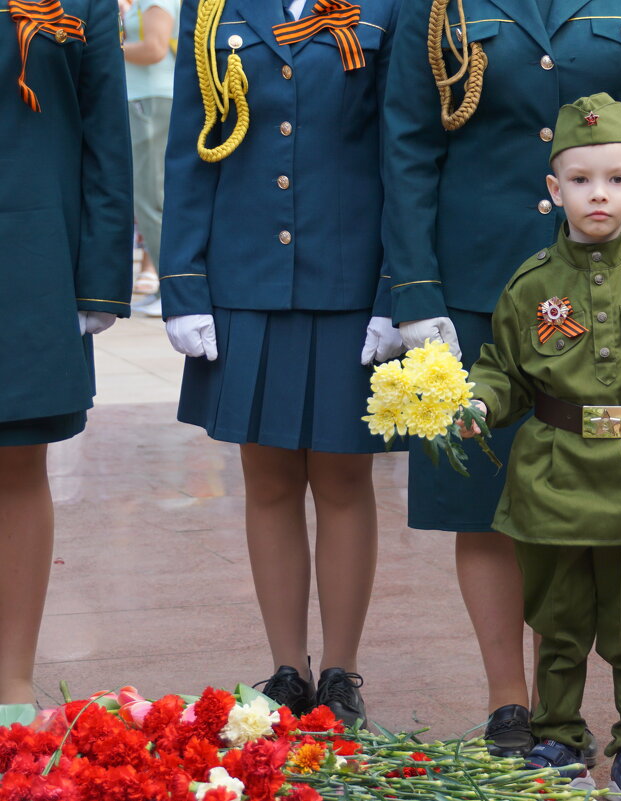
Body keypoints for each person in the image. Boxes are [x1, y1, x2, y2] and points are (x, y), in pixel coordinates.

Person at [382, 0, 621, 757]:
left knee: (612, 498)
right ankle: (509, 705)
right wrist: (418, 291)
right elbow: (407, 140)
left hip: (614, 285)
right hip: (476, 284)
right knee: (481, 502)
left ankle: (608, 714)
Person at [457, 93, 621, 801]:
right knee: (559, 620)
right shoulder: (530, 285)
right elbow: (504, 370)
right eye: (579, 179)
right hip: (553, 480)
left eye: (612, 179)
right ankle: (558, 734)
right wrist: (479, 403)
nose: (595, 193)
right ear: (554, 191)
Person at [159, 0, 406, 725]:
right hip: (246, 274)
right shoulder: (213, 11)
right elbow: (189, 143)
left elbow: (403, 148)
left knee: (343, 474)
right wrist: (182, 281)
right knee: (265, 477)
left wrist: (399, 287)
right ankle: (286, 671)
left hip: (348, 273)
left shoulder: (386, 7)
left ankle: (341, 673)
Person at [0, 0, 132, 706]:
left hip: (31, 256)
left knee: (19, 458)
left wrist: (100, 280)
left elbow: (107, 137)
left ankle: (10, 678)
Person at [118, 0, 179, 317]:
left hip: (151, 101)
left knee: (151, 198)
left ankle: (171, 288)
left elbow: (154, 48)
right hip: (147, 100)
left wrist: (104, 46)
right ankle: (165, 287)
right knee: (150, 197)